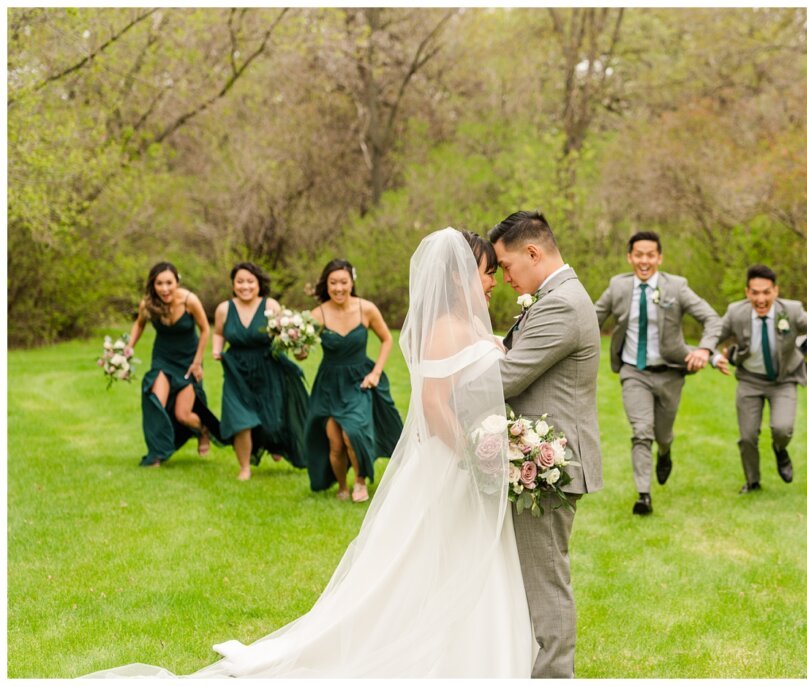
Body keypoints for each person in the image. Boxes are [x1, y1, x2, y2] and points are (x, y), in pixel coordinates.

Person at [83, 228, 535, 678]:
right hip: (451, 462)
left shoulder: (473, 324)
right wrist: (475, 458)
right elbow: (435, 404)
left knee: (459, 558)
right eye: (487, 271)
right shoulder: (444, 329)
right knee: (425, 561)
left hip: (468, 458)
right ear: (460, 277)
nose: (493, 280)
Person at [490, 210, 602, 678]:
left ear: (533, 252)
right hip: (535, 457)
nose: (505, 277)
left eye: (507, 265)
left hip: (546, 466)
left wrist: (445, 371)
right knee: (532, 580)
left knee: (545, 583)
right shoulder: (556, 297)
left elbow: (508, 377)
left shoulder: (561, 304)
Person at [594, 230, 722, 515]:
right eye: (638, 254)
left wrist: (705, 350)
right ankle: (644, 495)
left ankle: (665, 453)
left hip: (669, 374)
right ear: (629, 257)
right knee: (641, 432)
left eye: (650, 255)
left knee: (662, 435)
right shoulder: (618, 287)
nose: (644, 260)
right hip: (633, 371)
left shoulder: (676, 287)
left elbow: (711, 318)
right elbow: (590, 318)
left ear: (659, 258)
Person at [711, 264, 807, 493]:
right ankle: (753, 481)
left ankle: (780, 449)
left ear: (775, 291)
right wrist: (714, 356)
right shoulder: (736, 313)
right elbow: (712, 336)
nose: (761, 299)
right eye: (755, 293)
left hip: (784, 380)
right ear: (747, 293)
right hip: (750, 380)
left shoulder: (792, 312)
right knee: (747, 437)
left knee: (782, 428)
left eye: (766, 292)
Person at [301, 259, 403, 501]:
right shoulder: (318, 314)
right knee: (335, 442)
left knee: (353, 433)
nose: (338, 288)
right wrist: (296, 344)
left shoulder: (365, 309)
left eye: (343, 282)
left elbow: (387, 339)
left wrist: (376, 372)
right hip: (329, 384)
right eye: (333, 283)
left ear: (352, 282)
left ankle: (360, 480)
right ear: (326, 285)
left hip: (359, 380)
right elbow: (302, 351)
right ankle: (342, 487)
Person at [212, 262, 309, 480]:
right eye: (239, 281)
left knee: (272, 421)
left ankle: (275, 444)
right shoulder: (224, 309)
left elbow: (285, 332)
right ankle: (244, 467)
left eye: (250, 281)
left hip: (268, 367)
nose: (244, 286)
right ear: (233, 284)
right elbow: (218, 333)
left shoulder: (271, 306)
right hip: (236, 370)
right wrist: (216, 349)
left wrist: (298, 347)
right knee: (240, 420)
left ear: (258, 284)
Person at [125, 262, 220, 467]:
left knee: (183, 415)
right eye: (159, 283)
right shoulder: (148, 304)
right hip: (163, 358)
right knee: (156, 404)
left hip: (188, 360)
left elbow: (205, 330)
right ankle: (157, 455)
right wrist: (129, 347)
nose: (165, 288)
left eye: (169, 282)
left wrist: (197, 363)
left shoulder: (189, 301)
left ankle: (203, 429)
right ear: (153, 284)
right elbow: (139, 324)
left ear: (177, 282)